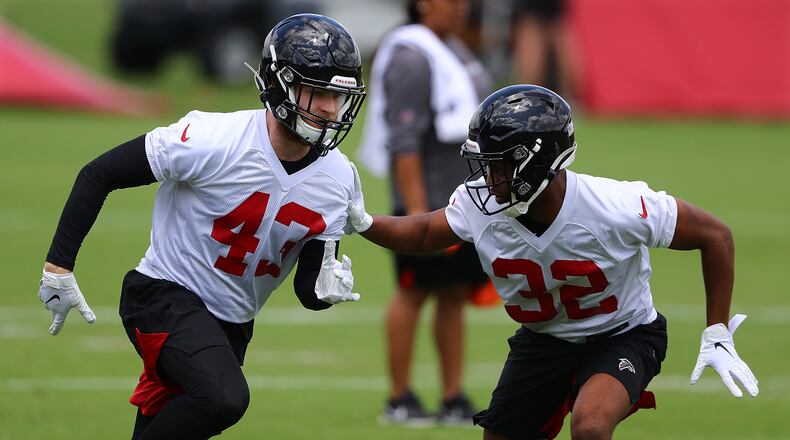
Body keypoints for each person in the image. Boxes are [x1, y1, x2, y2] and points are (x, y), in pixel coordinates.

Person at [345, 84, 759, 439]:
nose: (488, 180)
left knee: (591, 425)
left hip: (623, 333)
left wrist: (717, 329)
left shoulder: (616, 205)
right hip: (543, 340)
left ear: (537, 161)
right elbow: (422, 233)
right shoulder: (479, 203)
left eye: (501, 165)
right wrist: (362, 220)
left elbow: (714, 235)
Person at [36, 14, 366, 440]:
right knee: (224, 397)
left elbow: (308, 290)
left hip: (231, 324)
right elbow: (99, 174)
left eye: (338, 97)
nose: (329, 108)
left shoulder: (339, 179)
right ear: (281, 84)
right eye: (318, 91)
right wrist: (58, 266)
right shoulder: (214, 138)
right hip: (163, 294)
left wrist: (326, 292)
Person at [356, 0, 493, 426]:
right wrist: (415, 211)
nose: (461, 8)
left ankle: (453, 396)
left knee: (453, 295)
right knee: (413, 292)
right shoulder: (412, 55)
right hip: (427, 203)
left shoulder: (453, 48)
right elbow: (404, 139)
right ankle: (399, 397)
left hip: (463, 201)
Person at [511, 0, 580, 101]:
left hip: (553, 10)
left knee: (568, 60)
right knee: (532, 62)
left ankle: (567, 100)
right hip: (532, 11)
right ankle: (524, 100)